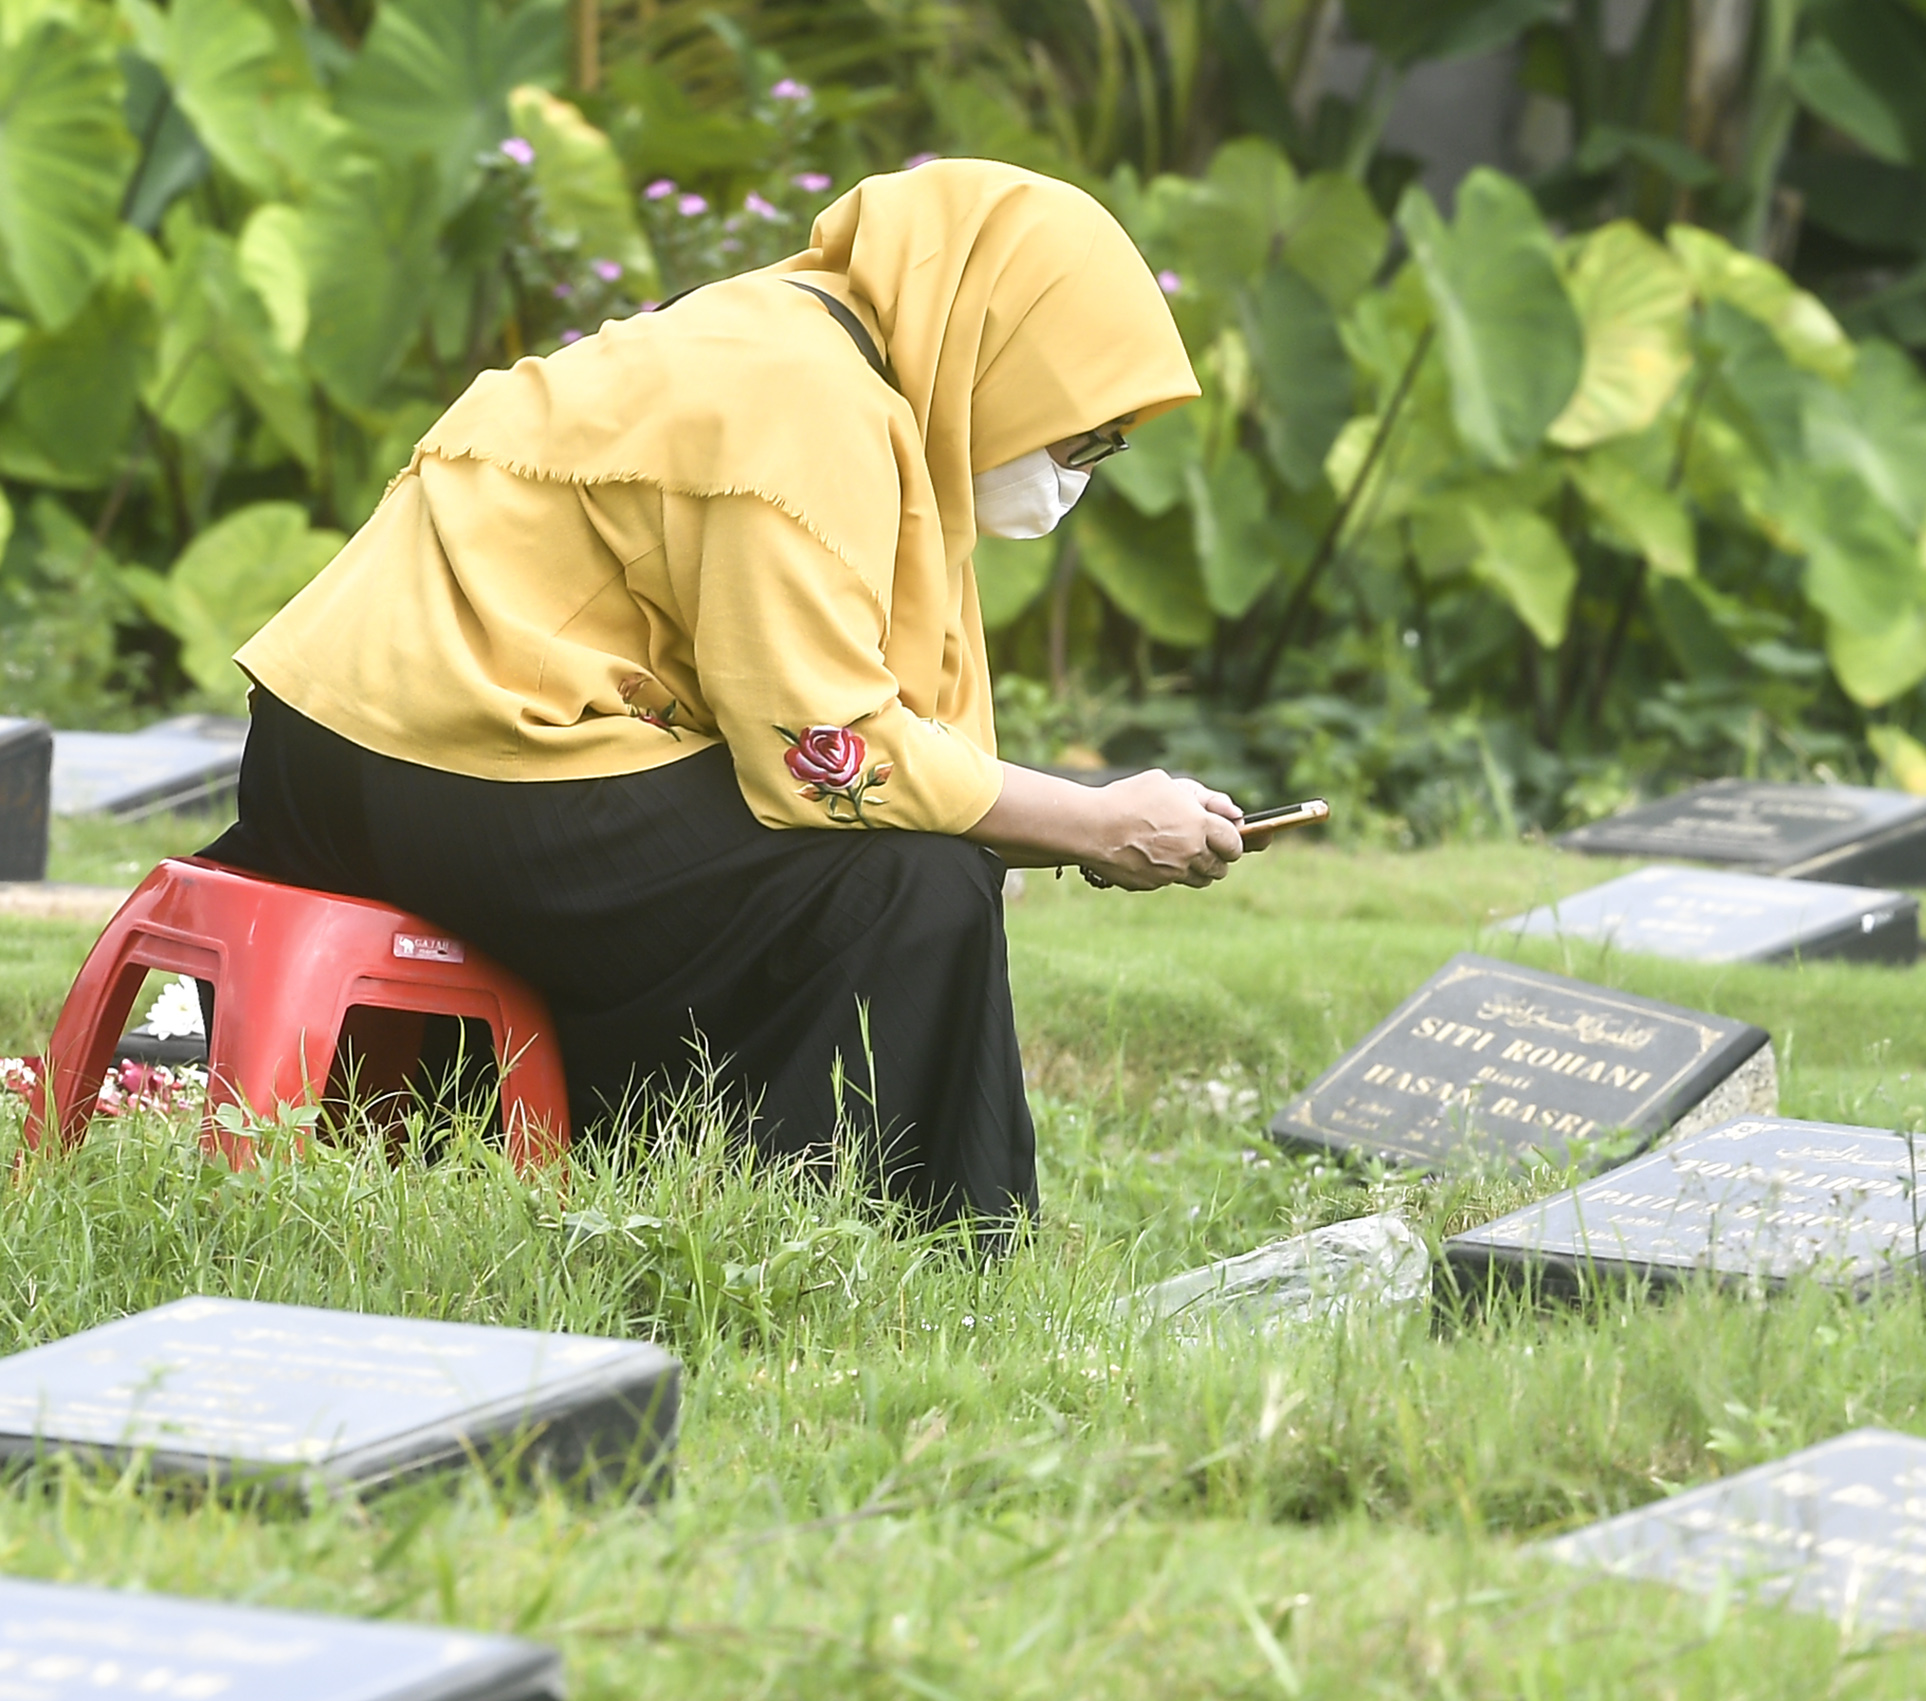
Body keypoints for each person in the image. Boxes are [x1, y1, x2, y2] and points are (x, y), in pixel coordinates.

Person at [213, 160, 1251, 1233]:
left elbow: (765, 705)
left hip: (316, 759)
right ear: (1002, 349)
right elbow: (825, 754)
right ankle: (810, 1238)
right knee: (912, 883)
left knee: (898, 856)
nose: (1079, 471)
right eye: (1085, 436)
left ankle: (607, 1174)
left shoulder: (757, 332)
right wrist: (1092, 820)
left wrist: (1066, 828)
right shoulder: (811, 402)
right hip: (468, 779)